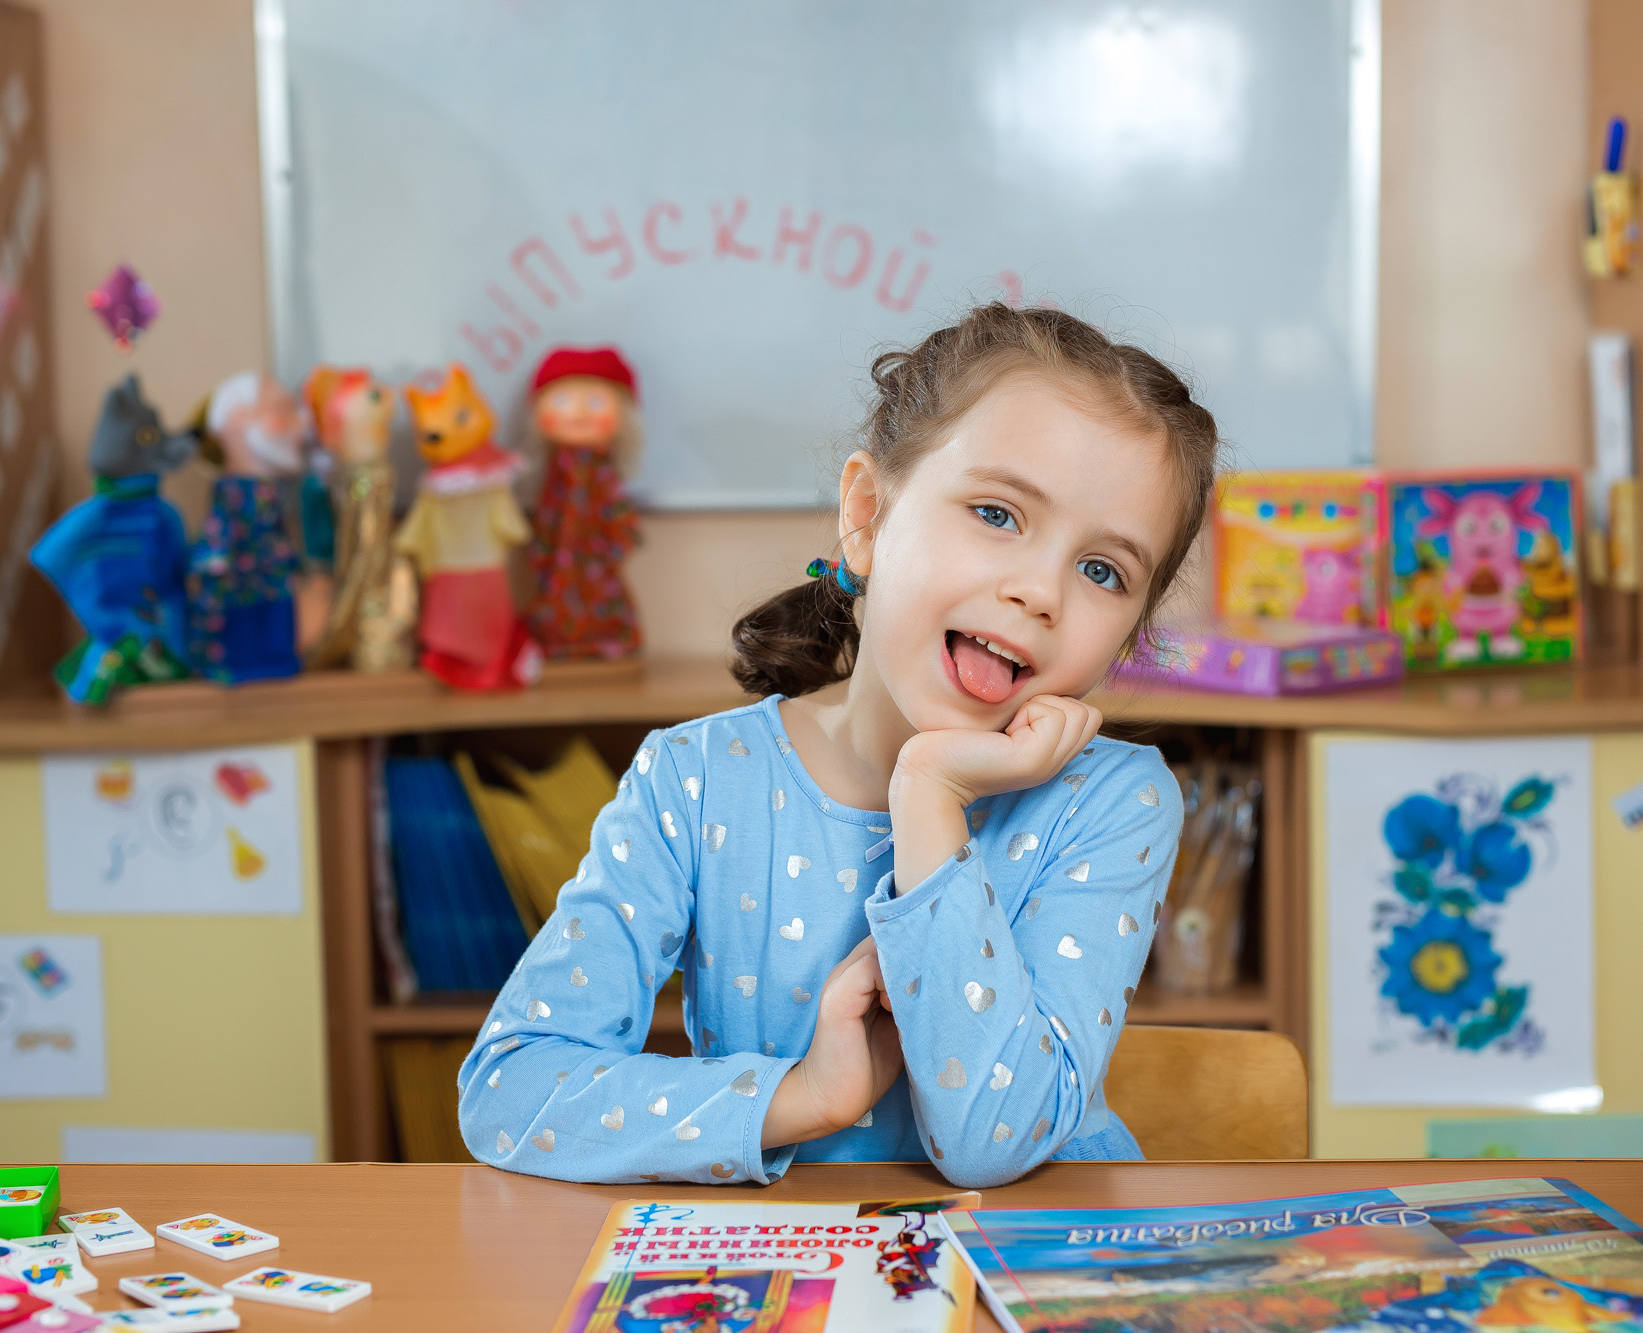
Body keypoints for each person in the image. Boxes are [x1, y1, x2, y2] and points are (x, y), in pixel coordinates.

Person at [457, 303, 1218, 1187]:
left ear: (1126, 638)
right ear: (866, 515)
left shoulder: (1116, 800)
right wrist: (808, 1095)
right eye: (998, 513)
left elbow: (992, 1142)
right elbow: (510, 1091)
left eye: (1103, 571)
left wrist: (929, 795)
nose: (1040, 591)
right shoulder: (697, 780)